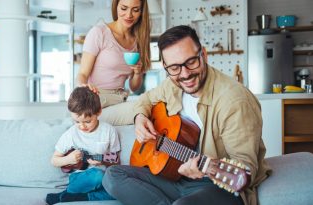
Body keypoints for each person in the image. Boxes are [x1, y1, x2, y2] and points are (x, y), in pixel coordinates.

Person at [102, 25, 271, 205]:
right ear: (166, 67)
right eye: (174, 67)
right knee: (112, 176)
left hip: (217, 185)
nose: (185, 74)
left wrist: (205, 170)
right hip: (176, 178)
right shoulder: (173, 84)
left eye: (191, 62)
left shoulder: (235, 101)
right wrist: (140, 118)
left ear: (203, 55)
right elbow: (146, 99)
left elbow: (245, 168)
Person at [76, 0, 151, 125]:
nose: (129, 15)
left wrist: (137, 73)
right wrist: (83, 87)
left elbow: (134, 87)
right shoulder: (99, 33)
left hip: (119, 100)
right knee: (143, 108)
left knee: (146, 108)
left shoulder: (138, 41)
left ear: (142, 12)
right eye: (124, 8)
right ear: (116, 6)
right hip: (97, 101)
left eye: (135, 10)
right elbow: (82, 73)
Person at [45, 87, 121, 204]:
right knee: (96, 175)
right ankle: (71, 192)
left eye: (87, 121)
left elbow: (115, 160)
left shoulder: (109, 131)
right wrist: (68, 159)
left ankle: (75, 196)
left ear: (99, 112)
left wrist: (102, 162)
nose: (82, 126)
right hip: (79, 178)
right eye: (77, 122)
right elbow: (54, 160)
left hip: (103, 178)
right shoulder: (70, 134)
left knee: (122, 191)